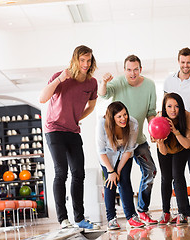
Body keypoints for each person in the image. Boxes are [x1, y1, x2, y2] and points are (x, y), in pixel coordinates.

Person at [40, 45, 100, 229]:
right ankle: (62, 219)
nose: (85, 64)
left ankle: (79, 218)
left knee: (79, 173)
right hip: (54, 130)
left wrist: (75, 118)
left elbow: (91, 106)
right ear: (75, 60)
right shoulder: (61, 76)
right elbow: (43, 98)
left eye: (88, 60)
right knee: (61, 172)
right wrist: (59, 79)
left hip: (72, 131)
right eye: (82, 60)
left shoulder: (91, 83)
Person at [98, 55, 158, 225]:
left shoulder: (150, 86)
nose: (132, 73)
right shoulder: (117, 82)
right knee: (119, 180)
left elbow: (151, 112)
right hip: (115, 146)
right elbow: (103, 94)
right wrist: (103, 82)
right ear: (124, 70)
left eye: (136, 69)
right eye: (129, 70)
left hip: (136, 140)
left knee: (151, 171)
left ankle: (142, 210)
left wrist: (154, 130)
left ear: (140, 69)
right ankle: (115, 219)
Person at [163, 47, 190, 222]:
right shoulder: (168, 81)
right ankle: (183, 211)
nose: (185, 65)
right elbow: (165, 105)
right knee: (176, 174)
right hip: (172, 133)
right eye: (182, 62)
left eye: (188, 62)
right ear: (178, 61)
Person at [96, 101, 145, 230]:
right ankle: (111, 219)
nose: (123, 119)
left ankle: (131, 217)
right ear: (112, 118)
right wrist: (111, 172)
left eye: (125, 114)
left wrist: (118, 170)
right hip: (107, 158)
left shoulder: (133, 124)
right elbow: (101, 151)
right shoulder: (102, 124)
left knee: (124, 181)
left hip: (124, 156)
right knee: (110, 184)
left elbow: (129, 149)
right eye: (119, 116)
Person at [153, 93, 190, 226]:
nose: (173, 110)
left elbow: (187, 144)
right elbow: (163, 152)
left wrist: (175, 131)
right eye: (169, 106)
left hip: (181, 146)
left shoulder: (187, 116)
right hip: (165, 147)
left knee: (178, 176)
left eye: (176, 106)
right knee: (165, 178)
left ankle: (183, 213)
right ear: (164, 107)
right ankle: (166, 213)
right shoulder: (159, 118)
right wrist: (160, 142)